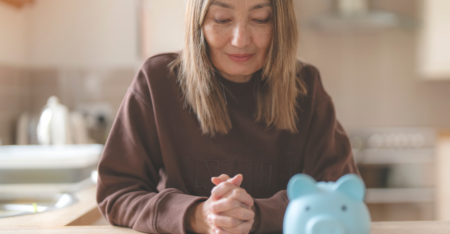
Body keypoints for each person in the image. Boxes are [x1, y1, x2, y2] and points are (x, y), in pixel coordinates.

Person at [96, 0, 360, 233]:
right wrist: (195, 215)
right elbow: (117, 192)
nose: (240, 39)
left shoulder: (306, 85)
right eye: (222, 19)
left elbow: (343, 195)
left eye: (260, 19)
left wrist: (256, 215)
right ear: (198, 22)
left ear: (280, 24)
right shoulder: (157, 81)